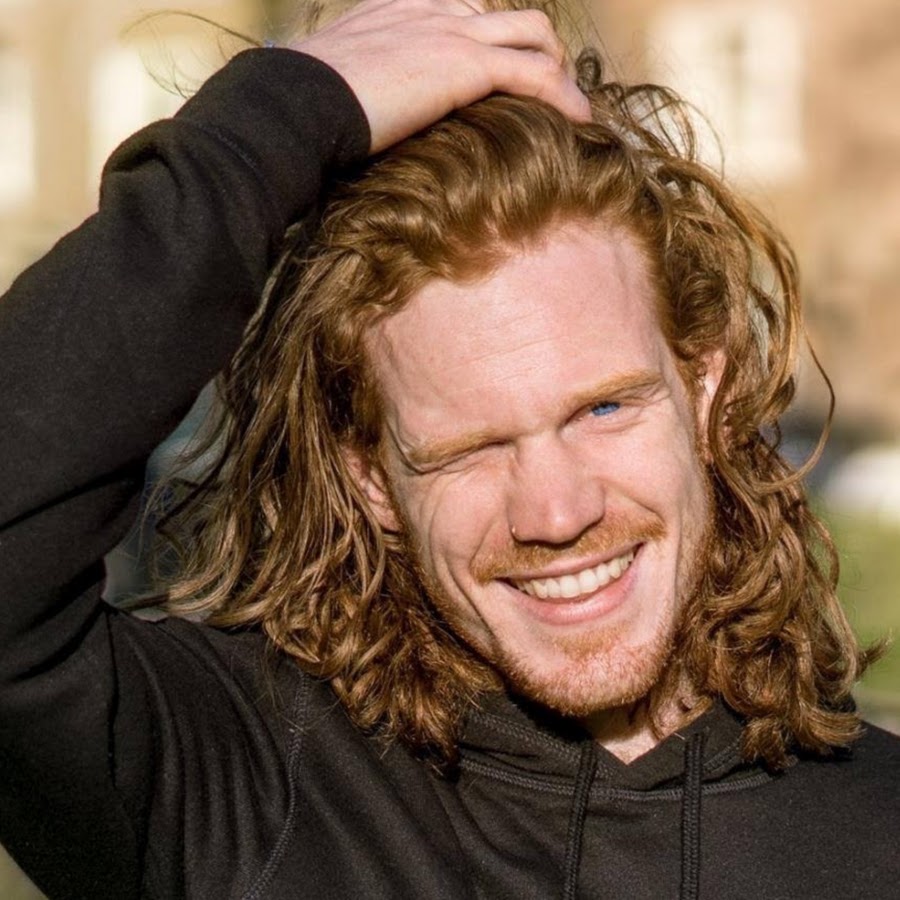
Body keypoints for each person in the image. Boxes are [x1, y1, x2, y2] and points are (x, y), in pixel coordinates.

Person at [1, 1, 897, 898]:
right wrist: (286, 111)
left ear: (704, 395)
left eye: (603, 408)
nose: (557, 513)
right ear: (371, 478)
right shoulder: (234, 787)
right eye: (469, 449)